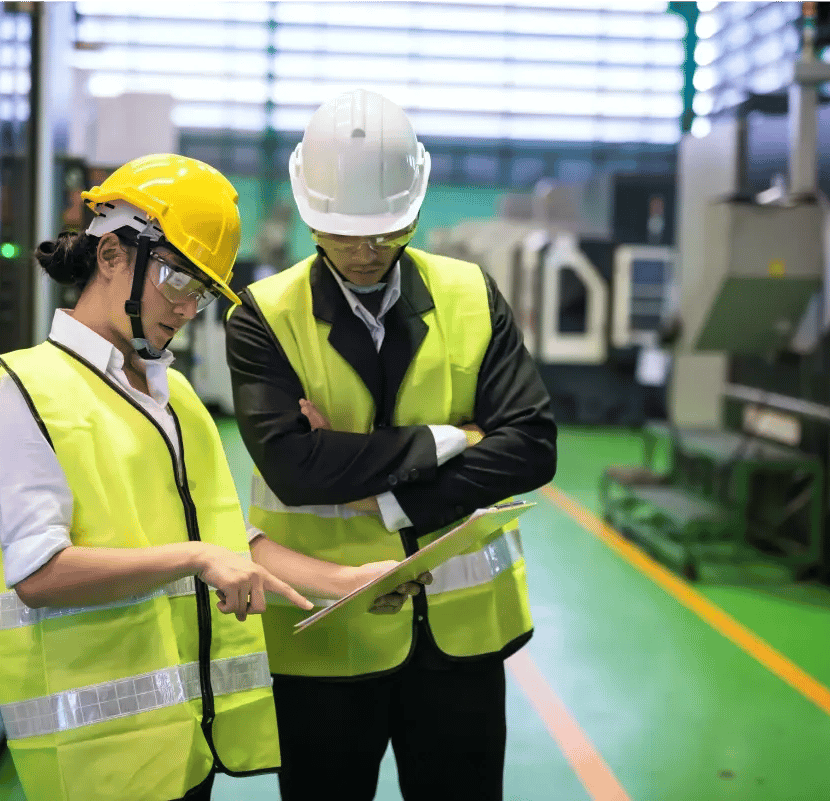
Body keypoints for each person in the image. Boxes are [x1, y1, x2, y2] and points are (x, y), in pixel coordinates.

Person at [0, 153, 420, 801]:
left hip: (183, 745)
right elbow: (40, 575)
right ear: (112, 255)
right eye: (178, 280)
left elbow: (220, 539)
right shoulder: (24, 390)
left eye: (201, 291)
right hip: (96, 762)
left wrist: (343, 581)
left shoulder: (171, 394)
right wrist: (198, 556)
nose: (187, 308)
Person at [225, 90, 558, 801]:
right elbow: (291, 469)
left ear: (415, 205)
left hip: (458, 642)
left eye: (384, 229)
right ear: (309, 212)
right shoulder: (262, 316)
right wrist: (451, 438)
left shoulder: (471, 295)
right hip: (326, 638)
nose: (365, 249)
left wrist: (380, 487)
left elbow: (532, 445)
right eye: (344, 231)